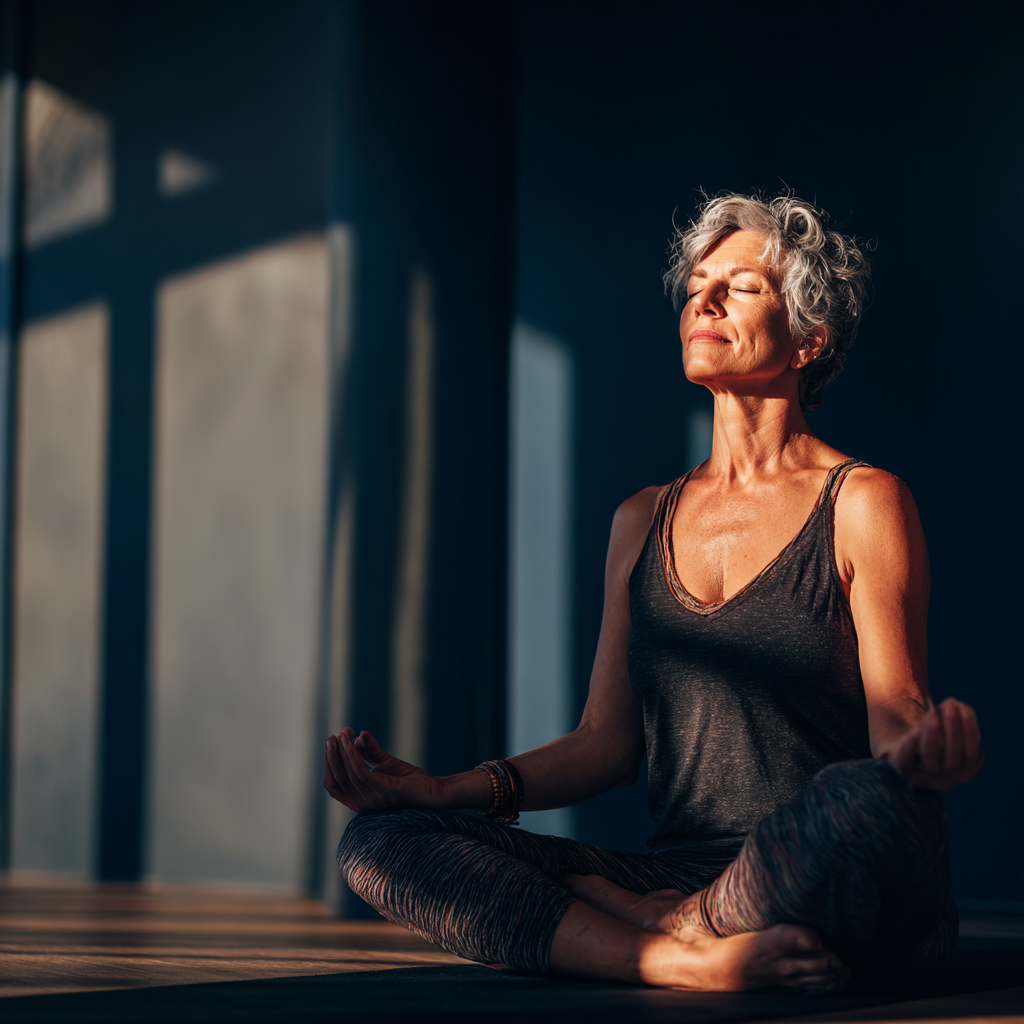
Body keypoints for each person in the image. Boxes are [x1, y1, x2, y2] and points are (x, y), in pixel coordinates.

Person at [323, 193, 983, 993]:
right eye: (698, 283)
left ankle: (672, 926)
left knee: (863, 802)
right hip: (677, 870)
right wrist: (439, 789)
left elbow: (896, 711)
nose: (701, 300)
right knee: (381, 842)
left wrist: (924, 751)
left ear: (811, 339)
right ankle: (674, 958)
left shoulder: (861, 500)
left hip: (823, 865)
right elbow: (605, 743)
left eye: (739, 286)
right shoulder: (642, 518)